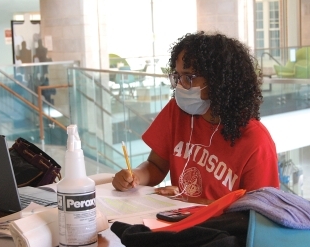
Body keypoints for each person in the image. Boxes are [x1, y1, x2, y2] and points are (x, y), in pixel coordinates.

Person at [112, 31, 280, 204]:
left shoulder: (257, 143)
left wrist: (188, 201)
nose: (180, 85)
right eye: (177, 76)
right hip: (176, 220)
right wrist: (135, 177)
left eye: (188, 77)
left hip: (220, 230)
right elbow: (155, 165)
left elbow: (260, 213)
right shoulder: (176, 111)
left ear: (219, 80)